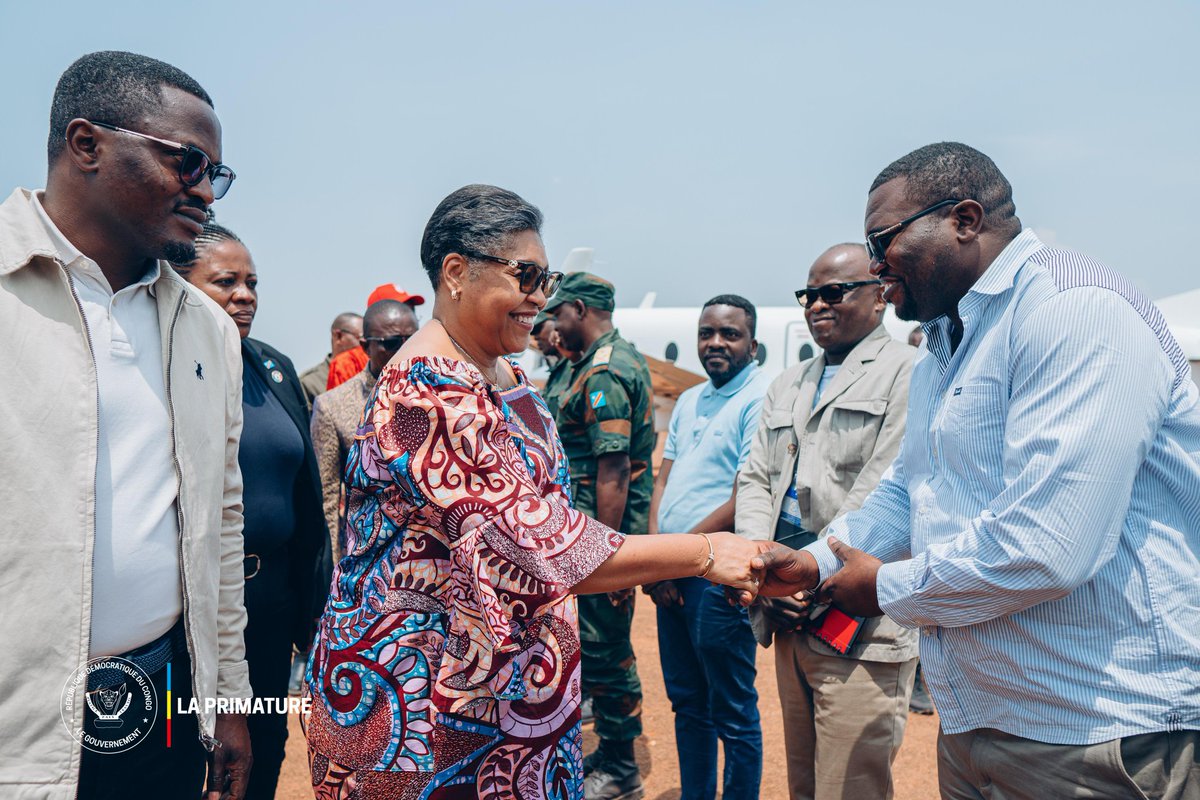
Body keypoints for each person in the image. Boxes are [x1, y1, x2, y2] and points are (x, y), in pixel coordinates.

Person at [756, 142, 1200, 799]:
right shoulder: (944, 348)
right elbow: (910, 492)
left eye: (883, 239)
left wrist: (884, 588)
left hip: (1094, 732)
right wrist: (817, 562)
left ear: (965, 219)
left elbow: (1050, 547)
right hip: (981, 722)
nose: (875, 264)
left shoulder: (1073, 311)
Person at [304, 184, 774, 799]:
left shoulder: (506, 373)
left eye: (545, 278)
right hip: (424, 706)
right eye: (525, 276)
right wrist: (706, 553)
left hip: (505, 693)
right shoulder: (428, 391)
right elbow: (538, 548)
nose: (540, 298)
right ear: (456, 273)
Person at [0, 51, 252, 799]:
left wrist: (228, 701)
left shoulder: (204, 327)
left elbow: (222, 522)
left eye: (216, 174)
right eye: (188, 162)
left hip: (165, 690)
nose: (204, 191)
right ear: (87, 145)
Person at [737, 244, 917, 800]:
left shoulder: (909, 374)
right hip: (785, 613)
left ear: (879, 293)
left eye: (833, 292)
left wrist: (806, 573)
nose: (817, 305)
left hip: (858, 626)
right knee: (804, 785)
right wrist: (758, 569)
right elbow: (756, 481)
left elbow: (883, 495)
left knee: (849, 789)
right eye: (809, 294)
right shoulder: (787, 383)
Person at [174, 219, 330, 799]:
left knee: (259, 754)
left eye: (252, 283)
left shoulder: (275, 368)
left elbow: (307, 503)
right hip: (192, 611)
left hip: (269, 607)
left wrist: (313, 617)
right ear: (181, 285)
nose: (244, 295)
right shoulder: (165, 369)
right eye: (225, 281)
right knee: (189, 759)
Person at [645, 294, 771, 800]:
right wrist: (657, 557)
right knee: (687, 703)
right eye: (707, 333)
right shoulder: (694, 398)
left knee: (732, 708)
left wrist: (675, 558)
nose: (715, 343)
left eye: (730, 334)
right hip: (673, 571)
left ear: (752, 344)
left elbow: (746, 497)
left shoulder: (759, 398)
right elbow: (663, 478)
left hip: (717, 575)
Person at [546, 271, 657, 799]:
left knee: (607, 652)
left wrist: (602, 558)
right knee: (591, 649)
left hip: (597, 538)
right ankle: (610, 754)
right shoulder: (583, 366)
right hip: (581, 534)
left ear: (581, 310)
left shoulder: (606, 372)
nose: (550, 324)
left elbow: (613, 472)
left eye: (557, 313)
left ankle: (621, 769)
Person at [311, 298, 419, 562]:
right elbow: (326, 499)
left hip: (431, 560)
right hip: (368, 559)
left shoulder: (441, 395)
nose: (404, 350)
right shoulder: (332, 406)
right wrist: (334, 570)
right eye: (391, 343)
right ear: (365, 347)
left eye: (412, 340)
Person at [300, 312, 363, 407]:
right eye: (361, 337)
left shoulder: (371, 373)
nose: (365, 343)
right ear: (338, 336)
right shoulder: (310, 383)